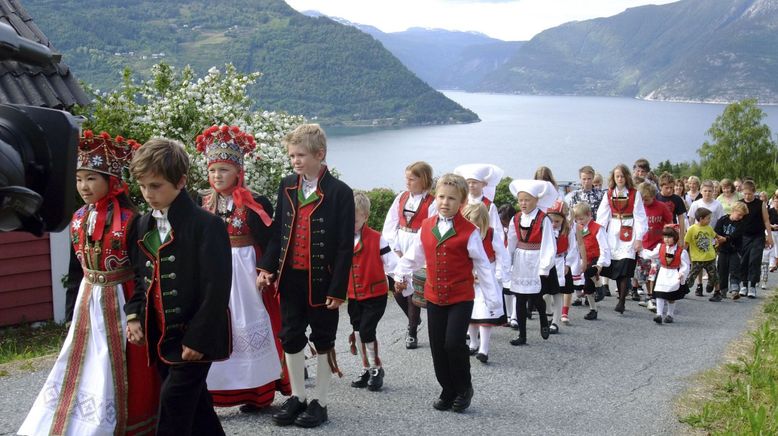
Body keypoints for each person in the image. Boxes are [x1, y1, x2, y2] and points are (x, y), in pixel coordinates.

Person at [19, 131, 160, 436]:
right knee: (81, 361)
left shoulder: (134, 220)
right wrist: (72, 312)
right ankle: (77, 419)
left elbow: (141, 272)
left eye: (92, 179)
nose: (83, 186)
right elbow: (75, 271)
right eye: (79, 178)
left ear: (112, 181)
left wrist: (137, 314)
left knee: (118, 364)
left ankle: (124, 423)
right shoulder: (79, 218)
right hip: (88, 301)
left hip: (121, 301)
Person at [125, 138, 232, 436]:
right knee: (197, 410)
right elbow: (140, 276)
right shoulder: (142, 224)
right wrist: (134, 314)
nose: (148, 194)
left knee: (173, 404)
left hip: (197, 337)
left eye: (156, 186)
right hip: (161, 334)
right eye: (143, 186)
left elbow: (217, 288)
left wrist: (198, 338)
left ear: (181, 181)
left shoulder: (207, 225)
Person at [257, 124, 355, 428]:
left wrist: (338, 288)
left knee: (323, 339)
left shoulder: (340, 192)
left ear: (319, 154)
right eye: (292, 156)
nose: (295, 161)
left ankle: (320, 402)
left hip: (323, 282)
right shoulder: (287, 185)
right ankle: (298, 396)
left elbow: (343, 246)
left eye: (300, 155)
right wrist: (266, 268)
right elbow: (277, 234)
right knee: (290, 336)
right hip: (290, 278)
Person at [195, 125, 289, 412]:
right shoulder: (201, 202)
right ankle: (213, 393)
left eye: (223, 170)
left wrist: (265, 269)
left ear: (238, 172)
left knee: (247, 325)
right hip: (213, 274)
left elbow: (272, 238)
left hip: (245, 276)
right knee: (215, 327)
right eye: (213, 170)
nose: (217, 176)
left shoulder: (254, 202)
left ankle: (257, 393)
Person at [393, 174, 500, 413]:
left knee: (453, 343)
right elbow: (414, 255)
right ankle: (447, 389)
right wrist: (401, 274)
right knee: (437, 346)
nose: (445, 202)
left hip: (461, 297)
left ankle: (464, 388)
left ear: (461, 202)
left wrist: (493, 300)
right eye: (441, 197)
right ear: (436, 198)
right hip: (434, 296)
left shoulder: (469, 231)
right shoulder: (427, 226)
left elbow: (483, 265)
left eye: (451, 198)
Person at [382, 161, 437, 349]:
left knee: (412, 290)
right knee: (397, 288)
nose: (407, 182)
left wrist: (417, 252)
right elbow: (390, 224)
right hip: (399, 245)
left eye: (412, 179)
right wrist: (394, 248)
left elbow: (430, 228)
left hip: (419, 246)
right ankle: (414, 320)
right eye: (406, 178)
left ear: (423, 180)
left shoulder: (432, 203)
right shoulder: (401, 197)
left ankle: (411, 330)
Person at [347, 192, 398, 392]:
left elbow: (392, 264)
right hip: (353, 294)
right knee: (358, 332)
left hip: (375, 295)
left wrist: (401, 281)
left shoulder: (379, 239)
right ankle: (366, 368)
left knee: (367, 330)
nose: (350, 222)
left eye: (355, 219)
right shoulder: (341, 239)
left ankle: (377, 368)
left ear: (365, 217)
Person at [506, 179, 560, 345]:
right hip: (521, 261)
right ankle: (522, 335)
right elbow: (511, 241)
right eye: (521, 200)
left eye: (527, 200)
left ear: (536, 200)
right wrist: (508, 262)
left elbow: (549, 244)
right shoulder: (515, 218)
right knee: (520, 298)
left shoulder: (543, 219)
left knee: (536, 296)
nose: (523, 203)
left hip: (537, 260)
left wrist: (545, 267)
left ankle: (543, 319)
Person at [596, 164, 648, 314]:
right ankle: (621, 295)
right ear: (613, 178)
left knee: (625, 266)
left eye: (622, 176)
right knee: (617, 267)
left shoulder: (634, 194)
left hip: (629, 230)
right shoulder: (609, 193)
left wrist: (639, 238)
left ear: (627, 177)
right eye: (617, 176)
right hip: (613, 231)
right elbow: (602, 215)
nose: (620, 179)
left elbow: (640, 217)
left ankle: (622, 301)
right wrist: (598, 235)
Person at [462, 203, 509, 363]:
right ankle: (473, 342)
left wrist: (497, 275)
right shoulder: (462, 235)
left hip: (487, 277)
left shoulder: (490, 234)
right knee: (470, 311)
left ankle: (484, 348)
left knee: (484, 312)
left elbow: (502, 255)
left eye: (474, 222)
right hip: (469, 278)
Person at [566, 165, 607, 303]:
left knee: (591, 261)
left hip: (594, 230)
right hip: (578, 230)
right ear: (580, 179)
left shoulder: (600, 195)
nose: (586, 181)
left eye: (589, 179)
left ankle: (594, 287)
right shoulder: (574, 195)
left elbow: (603, 214)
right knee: (578, 261)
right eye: (584, 179)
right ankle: (579, 290)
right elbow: (570, 215)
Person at [641, 225, 690, 324]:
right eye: (665, 237)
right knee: (659, 293)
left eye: (669, 237)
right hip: (663, 272)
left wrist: (682, 273)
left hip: (674, 274)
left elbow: (685, 265)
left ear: (675, 238)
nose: (666, 239)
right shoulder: (660, 247)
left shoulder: (681, 252)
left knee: (671, 296)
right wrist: (641, 251)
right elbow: (651, 254)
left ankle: (670, 315)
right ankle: (659, 314)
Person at [637, 182, 673, 311]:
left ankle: (654, 297)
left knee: (655, 272)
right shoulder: (639, 208)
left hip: (659, 245)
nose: (644, 202)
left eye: (647, 199)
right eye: (642, 199)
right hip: (644, 246)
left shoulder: (661, 207)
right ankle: (649, 295)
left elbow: (670, 222)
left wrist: (669, 238)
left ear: (653, 196)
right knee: (645, 273)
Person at [546, 201, 582, 330]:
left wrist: (568, 263)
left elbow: (572, 247)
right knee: (545, 293)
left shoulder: (568, 230)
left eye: (557, 222)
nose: (554, 224)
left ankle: (555, 321)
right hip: (547, 263)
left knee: (558, 293)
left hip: (561, 262)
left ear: (562, 220)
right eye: (551, 221)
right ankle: (548, 311)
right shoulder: (545, 229)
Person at [572, 202, 611, 320]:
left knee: (590, 272)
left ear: (589, 214)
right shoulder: (578, 228)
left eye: (582, 218)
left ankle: (600, 288)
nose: (580, 221)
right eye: (577, 219)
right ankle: (593, 309)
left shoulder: (597, 228)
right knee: (587, 286)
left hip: (596, 257)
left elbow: (604, 247)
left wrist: (600, 263)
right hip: (584, 258)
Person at [737, 180, 775, 298]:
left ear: (754, 192)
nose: (747, 196)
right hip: (744, 236)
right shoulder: (740, 203)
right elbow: (736, 219)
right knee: (743, 260)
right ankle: (744, 285)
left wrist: (769, 236)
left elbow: (766, 220)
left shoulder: (760, 204)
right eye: (745, 194)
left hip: (757, 236)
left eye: (749, 194)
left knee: (754, 260)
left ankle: (752, 286)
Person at [454, 163, 504, 241]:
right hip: (463, 241)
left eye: (474, 182)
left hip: (483, 241)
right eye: (468, 182)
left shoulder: (489, 205)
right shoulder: (460, 203)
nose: (471, 185)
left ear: (484, 184)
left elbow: (496, 228)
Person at [684, 208, 720, 299]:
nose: (710, 220)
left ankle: (717, 292)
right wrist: (682, 252)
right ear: (701, 219)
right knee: (691, 276)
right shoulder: (692, 229)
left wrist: (720, 239)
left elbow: (715, 236)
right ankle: (683, 290)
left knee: (714, 275)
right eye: (708, 218)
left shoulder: (709, 228)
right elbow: (686, 242)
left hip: (710, 257)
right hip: (697, 258)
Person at [714, 202, 747, 299]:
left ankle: (735, 289)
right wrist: (718, 238)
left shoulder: (741, 223)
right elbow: (717, 230)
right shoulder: (723, 219)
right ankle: (722, 289)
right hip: (723, 250)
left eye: (742, 215)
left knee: (734, 269)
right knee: (722, 270)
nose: (740, 217)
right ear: (733, 211)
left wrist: (726, 239)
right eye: (739, 214)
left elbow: (736, 234)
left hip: (735, 250)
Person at [498, 204, 519, 329]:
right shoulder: (498, 229)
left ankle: (515, 316)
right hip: (503, 260)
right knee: (506, 289)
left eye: (505, 221)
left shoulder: (517, 227)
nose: (504, 224)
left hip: (516, 259)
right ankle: (508, 315)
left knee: (516, 289)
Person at [656, 172, 687, 243]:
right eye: (666, 188)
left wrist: (681, 237)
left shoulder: (677, 199)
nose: (669, 190)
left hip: (672, 232)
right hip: (658, 232)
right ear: (660, 186)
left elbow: (681, 218)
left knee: (671, 253)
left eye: (671, 187)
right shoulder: (655, 198)